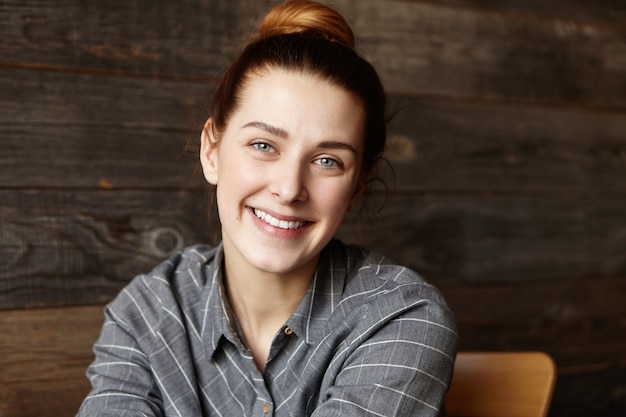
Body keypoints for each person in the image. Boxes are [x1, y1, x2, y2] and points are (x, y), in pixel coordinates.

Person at [76, 1, 457, 416]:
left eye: (328, 160)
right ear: (212, 150)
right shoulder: (146, 314)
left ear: (357, 187)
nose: (290, 188)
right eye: (263, 145)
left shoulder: (401, 318)